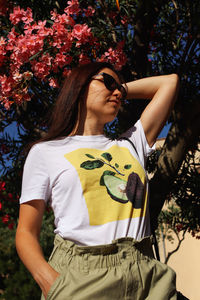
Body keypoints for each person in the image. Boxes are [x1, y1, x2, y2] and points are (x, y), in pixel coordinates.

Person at [16, 62, 179, 300]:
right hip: (81, 278)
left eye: (119, 90)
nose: (117, 93)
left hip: (146, 275)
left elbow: (170, 82)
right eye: (108, 83)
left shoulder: (131, 145)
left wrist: (119, 87)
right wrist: (54, 286)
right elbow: (26, 232)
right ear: (80, 86)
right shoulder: (45, 152)